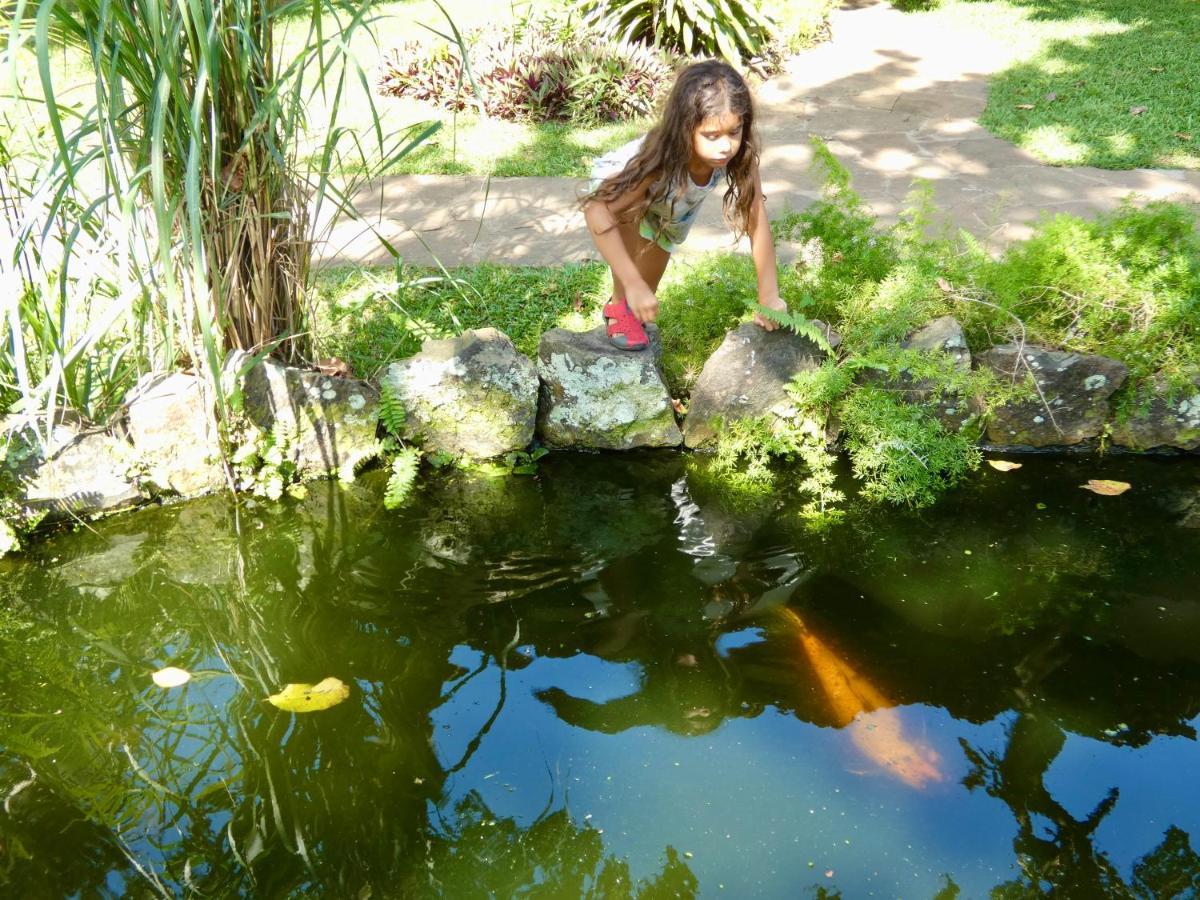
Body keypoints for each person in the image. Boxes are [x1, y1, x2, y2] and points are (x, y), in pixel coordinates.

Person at [582, 59, 788, 351]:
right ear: (685, 128)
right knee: (630, 286)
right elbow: (597, 211)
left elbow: (756, 218)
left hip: (672, 212)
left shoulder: (739, 157)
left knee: (643, 303)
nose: (726, 146)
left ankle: (626, 304)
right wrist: (632, 284)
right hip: (621, 194)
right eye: (711, 135)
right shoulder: (658, 161)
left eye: (734, 132)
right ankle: (617, 304)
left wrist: (769, 295)